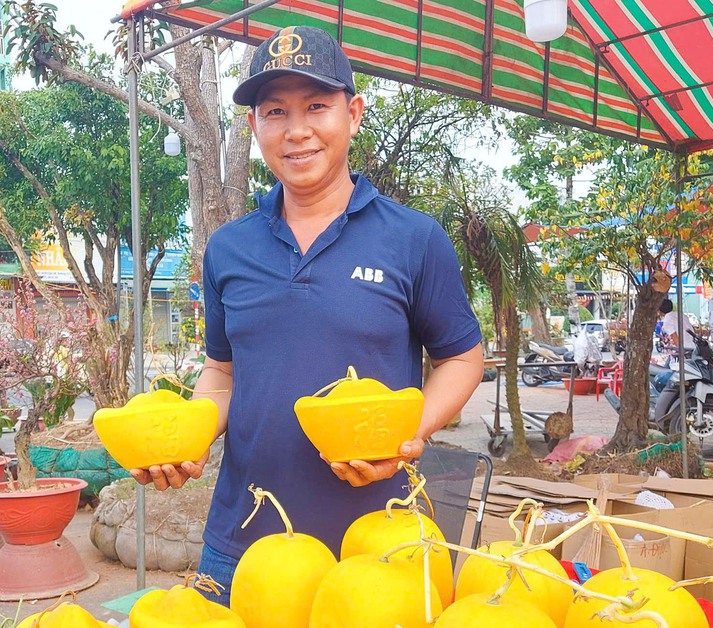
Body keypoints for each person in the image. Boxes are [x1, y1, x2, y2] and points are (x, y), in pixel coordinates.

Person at [127, 25, 484, 605]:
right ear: (253, 126)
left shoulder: (414, 239)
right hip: (244, 540)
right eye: (274, 111)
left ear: (354, 113)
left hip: (379, 542)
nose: (296, 131)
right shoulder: (228, 248)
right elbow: (222, 374)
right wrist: (183, 439)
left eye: (316, 106)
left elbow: (463, 356)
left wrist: (408, 433)